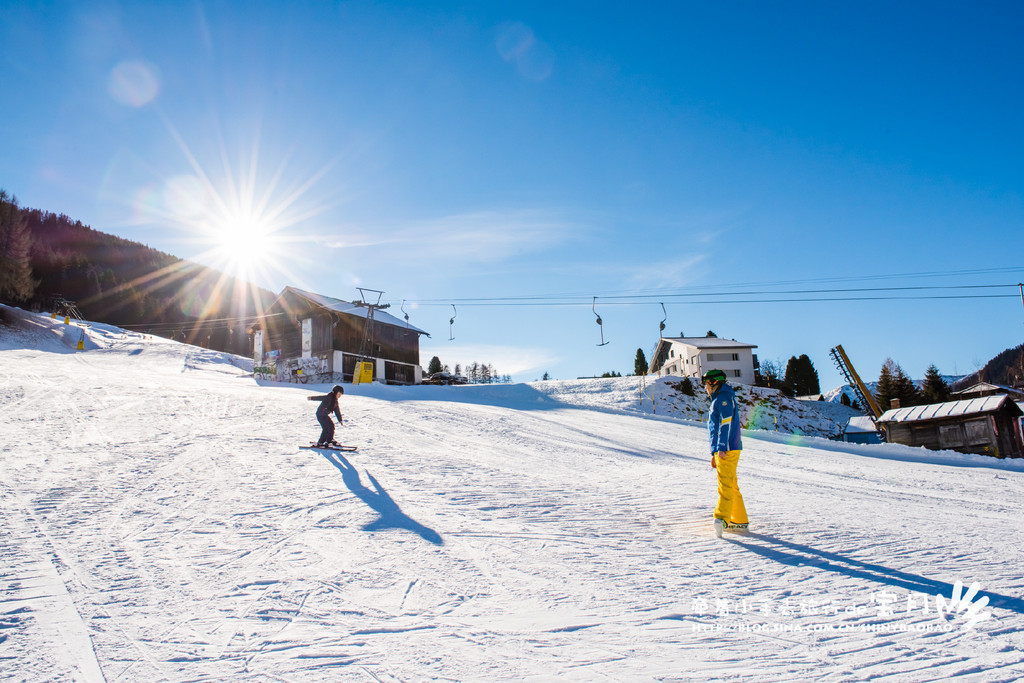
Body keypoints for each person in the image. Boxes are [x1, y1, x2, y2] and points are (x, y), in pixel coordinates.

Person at [702, 369, 749, 536]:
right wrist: (714, 452)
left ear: (715, 383)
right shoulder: (721, 398)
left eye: (706, 383)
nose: (705, 387)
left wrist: (721, 447)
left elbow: (725, 423)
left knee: (725, 485)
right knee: (731, 484)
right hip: (725, 449)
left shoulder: (723, 399)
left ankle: (721, 519)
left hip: (727, 448)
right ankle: (739, 520)